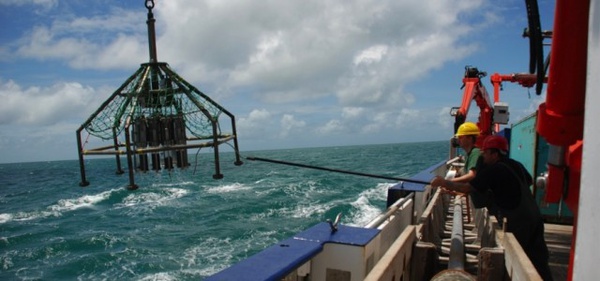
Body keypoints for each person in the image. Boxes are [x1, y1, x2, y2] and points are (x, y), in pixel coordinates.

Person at [430, 135, 553, 280]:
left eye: (486, 153)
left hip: (518, 223)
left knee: (516, 262)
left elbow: (468, 188)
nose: (483, 156)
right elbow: (529, 181)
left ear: (495, 154)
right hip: (535, 218)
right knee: (539, 261)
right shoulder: (516, 164)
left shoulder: (494, 170)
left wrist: (444, 183)